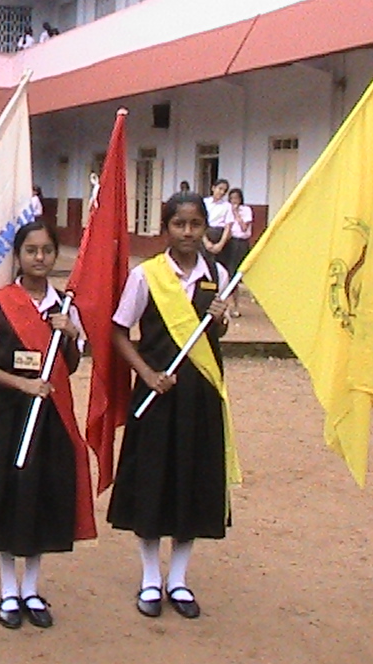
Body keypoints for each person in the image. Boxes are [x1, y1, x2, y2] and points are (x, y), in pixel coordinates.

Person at [107, 191, 240, 621]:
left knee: (192, 482)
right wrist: (146, 374)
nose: (187, 232)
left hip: (200, 397)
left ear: (205, 228)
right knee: (153, 482)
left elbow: (216, 335)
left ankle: (179, 579)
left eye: (195, 224)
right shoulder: (146, 276)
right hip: (157, 396)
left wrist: (219, 318)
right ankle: (150, 577)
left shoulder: (217, 275)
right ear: (165, 228)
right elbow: (119, 332)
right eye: (179, 224)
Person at [0, 220, 95, 630]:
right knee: (8, 500)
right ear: (18, 256)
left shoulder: (65, 307)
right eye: (31, 250)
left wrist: (70, 334)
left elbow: (70, 365)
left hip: (51, 420)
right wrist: (21, 384)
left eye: (47, 251)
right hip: (9, 420)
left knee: (41, 500)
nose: (40, 258)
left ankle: (32, 590)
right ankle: (8, 590)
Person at [223, 188, 253, 317]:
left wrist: (236, 213)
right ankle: (228, 305)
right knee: (227, 274)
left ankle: (236, 305)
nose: (234, 201)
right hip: (229, 242)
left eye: (236, 198)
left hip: (240, 243)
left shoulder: (246, 210)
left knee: (236, 274)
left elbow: (244, 227)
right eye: (231, 198)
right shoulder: (226, 209)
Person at [202, 178, 231, 262]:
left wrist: (221, 244)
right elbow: (199, 222)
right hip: (204, 234)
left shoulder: (227, 206)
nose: (222, 192)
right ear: (213, 188)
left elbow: (228, 227)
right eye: (220, 189)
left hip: (219, 235)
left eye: (224, 191)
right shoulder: (204, 202)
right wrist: (205, 241)